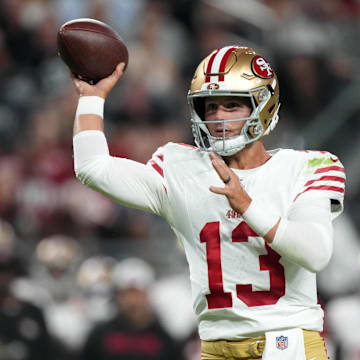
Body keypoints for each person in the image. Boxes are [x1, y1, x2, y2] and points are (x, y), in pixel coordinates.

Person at [70, 46, 345, 360]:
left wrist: (246, 204)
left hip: (286, 346)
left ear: (263, 105)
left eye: (232, 105)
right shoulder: (181, 167)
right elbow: (93, 168)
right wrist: (91, 96)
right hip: (216, 347)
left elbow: (316, 253)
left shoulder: (308, 168)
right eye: (210, 107)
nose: (218, 117)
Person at [80, 257, 180, 360]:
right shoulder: (100, 336)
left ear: (148, 295)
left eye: (137, 294)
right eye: (126, 294)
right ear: (117, 296)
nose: (132, 301)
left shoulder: (164, 339)